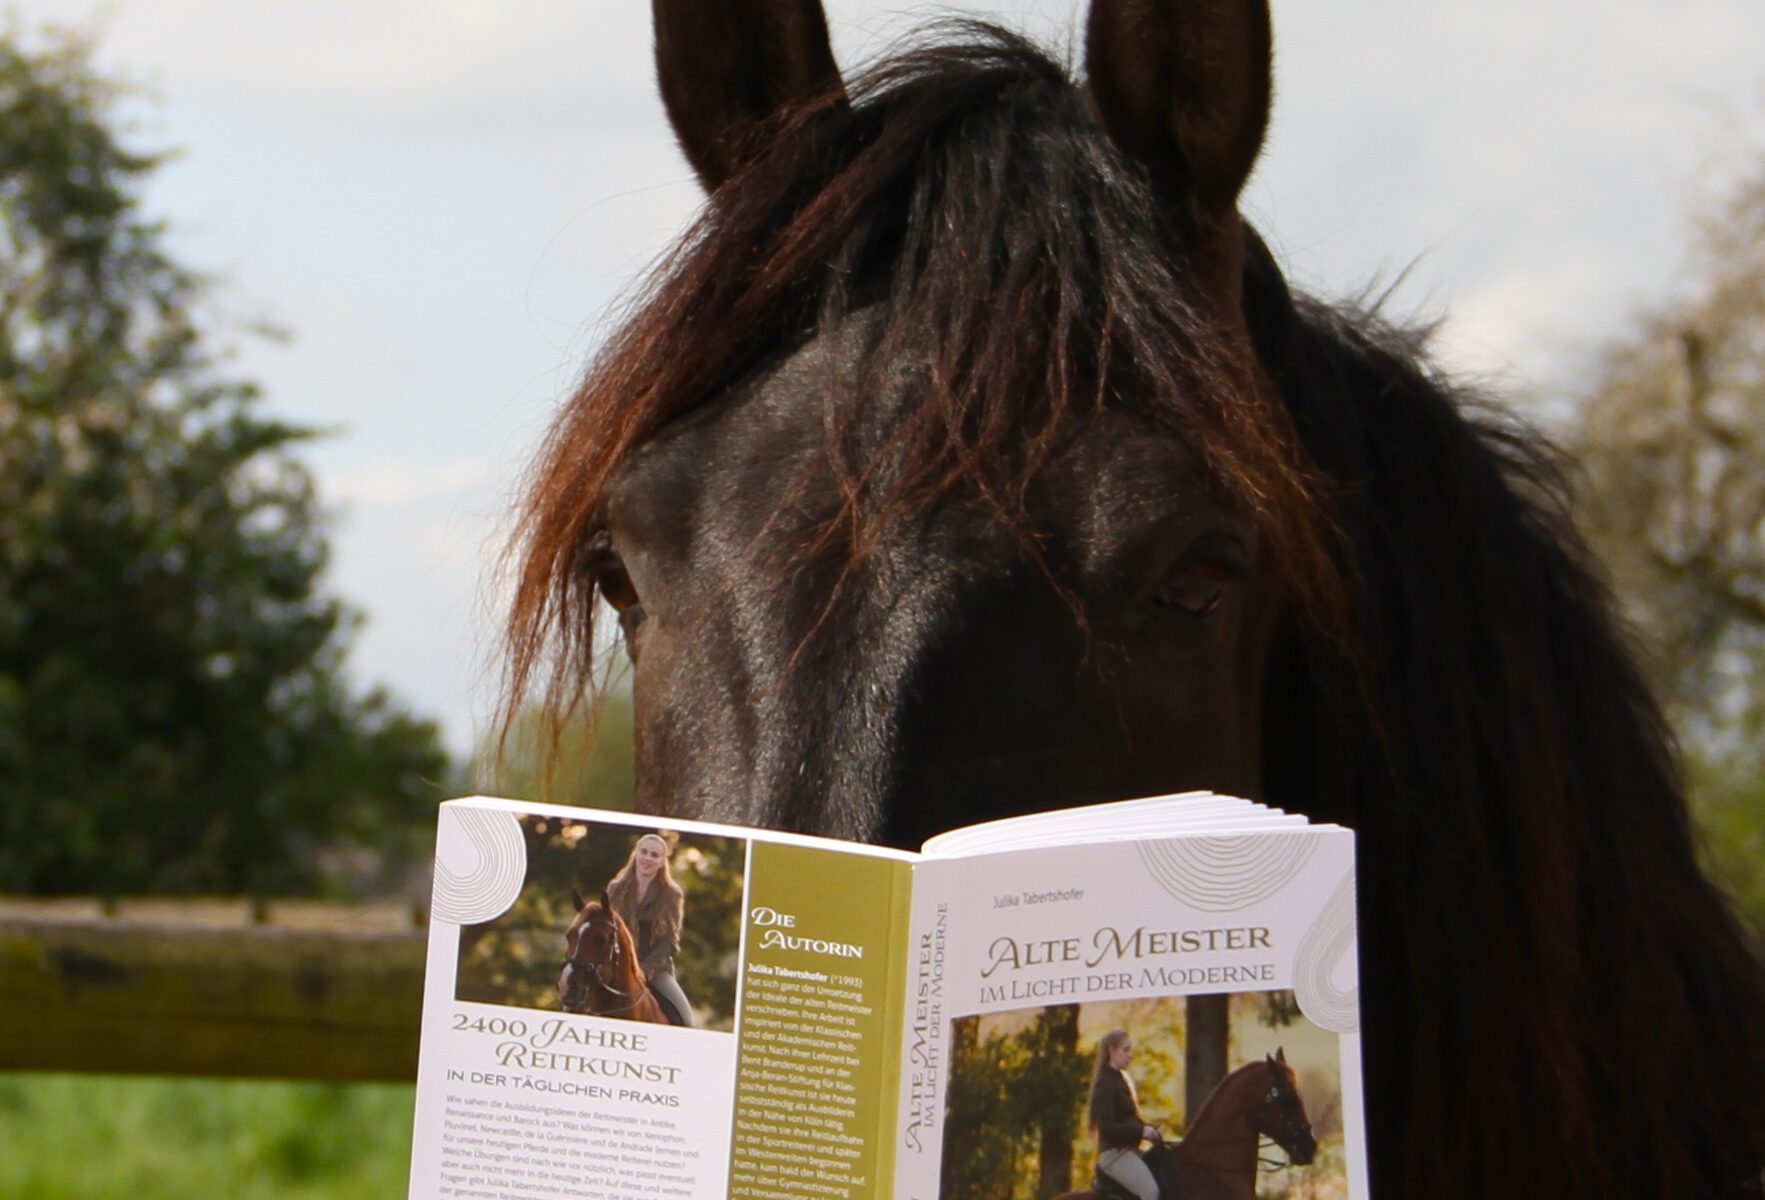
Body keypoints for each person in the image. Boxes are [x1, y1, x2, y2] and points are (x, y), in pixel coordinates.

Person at [605, 832, 694, 1027]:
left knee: (685, 1018)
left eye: (654, 855)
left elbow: (669, 941)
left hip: (655, 970)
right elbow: (607, 931)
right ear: (636, 855)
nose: (647, 858)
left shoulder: (672, 894)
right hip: (616, 966)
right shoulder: (615, 889)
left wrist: (645, 969)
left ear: (662, 861)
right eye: (643, 852)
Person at [1089, 1030, 1160, 1200]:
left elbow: (1128, 1119)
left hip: (1130, 1151)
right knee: (1150, 1193)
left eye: (1130, 1050)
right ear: (1112, 1051)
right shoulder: (1105, 1083)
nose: (1130, 1055)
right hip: (1115, 1156)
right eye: (1126, 1050)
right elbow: (1106, 1127)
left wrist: (1149, 1129)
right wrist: (1141, 1132)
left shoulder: (1120, 1079)